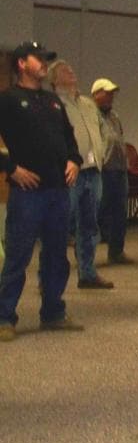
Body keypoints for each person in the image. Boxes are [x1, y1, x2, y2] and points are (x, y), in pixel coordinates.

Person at [0, 41, 85, 342]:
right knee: (18, 255)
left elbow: (69, 138)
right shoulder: (9, 99)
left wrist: (74, 161)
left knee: (56, 256)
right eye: (39, 59)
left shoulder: (52, 101)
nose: (44, 63)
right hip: (28, 193)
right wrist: (11, 169)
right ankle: (4, 317)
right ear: (22, 63)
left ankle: (53, 312)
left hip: (58, 191)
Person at [50, 59, 114, 289]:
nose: (72, 71)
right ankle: (48, 277)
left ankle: (87, 273)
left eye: (71, 68)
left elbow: (104, 131)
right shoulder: (54, 103)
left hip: (92, 173)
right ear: (54, 80)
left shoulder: (88, 103)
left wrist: (100, 156)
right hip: (70, 174)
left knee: (89, 225)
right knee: (60, 225)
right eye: (65, 71)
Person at [92, 77, 132, 265]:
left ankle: (116, 251)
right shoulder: (91, 116)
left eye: (111, 94)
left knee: (120, 213)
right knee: (98, 212)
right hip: (102, 171)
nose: (110, 97)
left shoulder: (114, 116)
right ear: (96, 94)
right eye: (106, 93)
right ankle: (87, 254)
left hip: (119, 170)